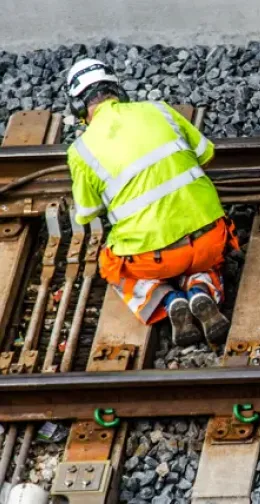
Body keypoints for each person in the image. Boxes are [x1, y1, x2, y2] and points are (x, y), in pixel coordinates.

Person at [65, 58, 237, 347]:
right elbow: (205, 154)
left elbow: (87, 212)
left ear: (78, 107)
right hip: (208, 241)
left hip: (153, 259)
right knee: (203, 255)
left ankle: (169, 300)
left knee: (111, 264)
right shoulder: (159, 109)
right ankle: (200, 290)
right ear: (118, 90)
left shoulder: (81, 150)